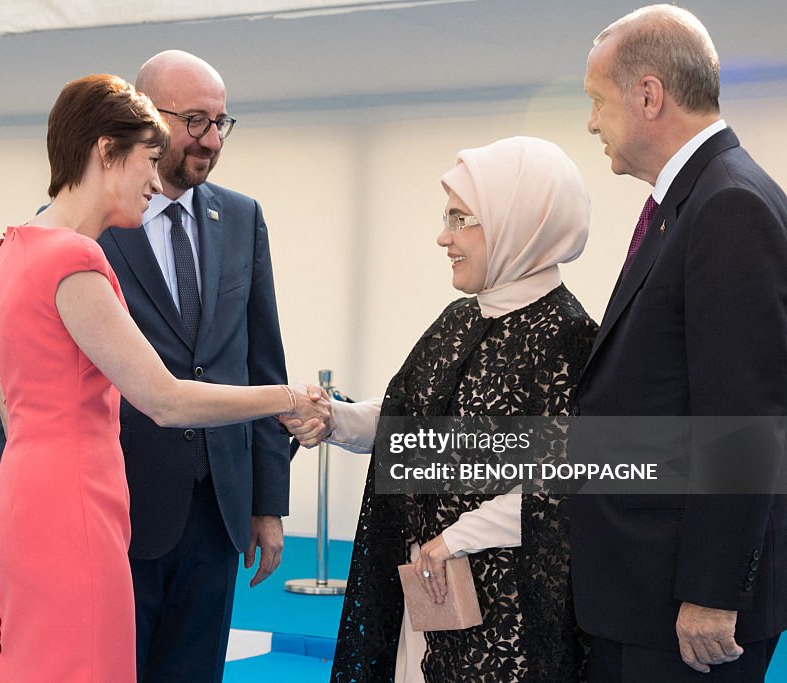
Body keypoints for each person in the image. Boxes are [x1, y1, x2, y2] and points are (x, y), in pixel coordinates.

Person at [0, 73, 327, 683]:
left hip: (42, 495)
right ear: (106, 151)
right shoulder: (75, 256)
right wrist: (289, 399)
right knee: (90, 665)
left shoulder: (18, 245)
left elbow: (14, 391)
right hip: (81, 502)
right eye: (148, 157)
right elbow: (164, 399)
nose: (153, 178)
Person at [284, 136, 597, 681]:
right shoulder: (459, 320)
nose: (443, 237)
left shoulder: (568, 339)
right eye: (445, 218)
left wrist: (456, 538)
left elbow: (566, 483)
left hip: (509, 615)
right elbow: (407, 423)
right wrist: (335, 419)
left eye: (460, 219)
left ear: (518, 222)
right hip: (430, 594)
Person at [569, 5, 787, 681]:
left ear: (648, 96)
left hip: (685, 609)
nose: (592, 122)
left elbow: (745, 417)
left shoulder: (728, 205)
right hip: (645, 591)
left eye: (598, 102)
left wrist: (713, 591)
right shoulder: (694, 201)